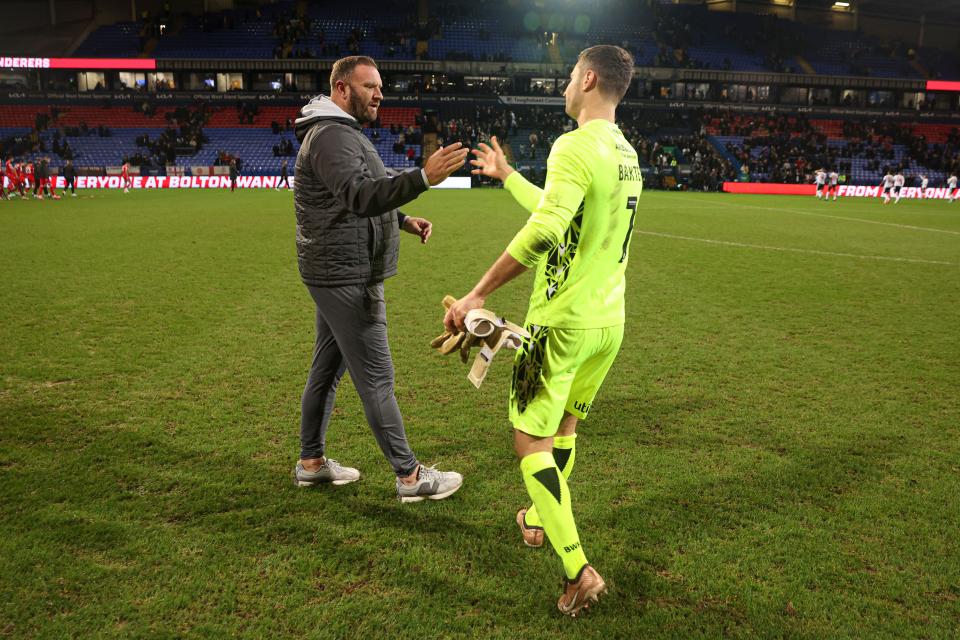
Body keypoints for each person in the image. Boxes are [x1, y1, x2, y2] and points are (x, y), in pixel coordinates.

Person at [445, 44, 642, 616]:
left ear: (587, 78)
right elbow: (560, 212)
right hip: (609, 324)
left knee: (529, 439)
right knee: (564, 427)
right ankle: (537, 517)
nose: (562, 87)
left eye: (566, 78)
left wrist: (480, 290)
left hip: (562, 324)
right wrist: (508, 176)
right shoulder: (625, 152)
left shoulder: (574, 144)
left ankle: (578, 570)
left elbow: (544, 233)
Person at [291, 55, 468, 501]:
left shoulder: (340, 132)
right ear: (341, 88)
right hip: (345, 273)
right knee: (377, 377)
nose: (379, 94)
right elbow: (358, 195)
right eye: (369, 86)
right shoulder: (331, 136)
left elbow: (364, 187)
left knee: (326, 370)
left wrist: (403, 219)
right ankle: (410, 478)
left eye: (380, 86)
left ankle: (311, 463)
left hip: (337, 268)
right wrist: (424, 176)